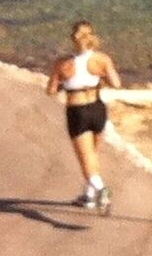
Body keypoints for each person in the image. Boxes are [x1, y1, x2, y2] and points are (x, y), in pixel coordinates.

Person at [46, 21, 121, 212]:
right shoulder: (101, 59)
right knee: (93, 154)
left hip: (77, 111)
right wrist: (99, 77)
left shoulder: (63, 63)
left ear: (73, 38)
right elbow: (116, 83)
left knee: (85, 159)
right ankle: (88, 196)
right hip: (97, 108)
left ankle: (100, 189)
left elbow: (51, 91)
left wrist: (66, 84)